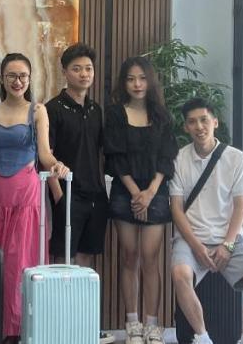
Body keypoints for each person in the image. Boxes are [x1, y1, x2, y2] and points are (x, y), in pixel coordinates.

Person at [0, 53, 70, 343]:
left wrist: (57, 165)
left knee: (20, 261)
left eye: (23, 76)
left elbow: (44, 153)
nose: (17, 81)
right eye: (11, 75)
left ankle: (21, 328)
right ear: (2, 78)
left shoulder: (37, 111)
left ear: (30, 80)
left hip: (27, 194)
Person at [169, 98, 243, 344]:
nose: (199, 126)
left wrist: (227, 244)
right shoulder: (179, 159)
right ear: (185, 127)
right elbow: (176, 209)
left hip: (230, 239)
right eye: (192, 122)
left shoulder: (236, 158)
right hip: (191, 239)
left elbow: (240, 206)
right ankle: (202, 337)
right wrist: (197, 246)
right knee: (180, 274)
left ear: (215, 122)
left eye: (204, 120)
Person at [104, 56, 177, 344]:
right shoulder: (115, 114)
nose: (137, 84)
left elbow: (167, 157)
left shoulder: (162, 115)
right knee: (130, 256)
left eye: (142, 78)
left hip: (156, 193)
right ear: (124, 82)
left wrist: (149, 192)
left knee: (150, 258)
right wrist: (136, 193)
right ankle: (132, 324)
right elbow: (115, 157)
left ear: (150, 81)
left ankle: (153, 325)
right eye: (131, 78)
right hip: (125, 192)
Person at [44, 44, 113, 344]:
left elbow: (101, 153)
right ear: (65, 72)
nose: (84, 74)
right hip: (67, 195)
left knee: (86, 261)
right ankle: (61, 326)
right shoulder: (53, 109)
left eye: (88, 69)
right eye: (77, 69)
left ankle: (83, 324)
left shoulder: (96, 110)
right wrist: (59, 196)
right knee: (64, 260)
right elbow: (45, 156)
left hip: (96, 196)